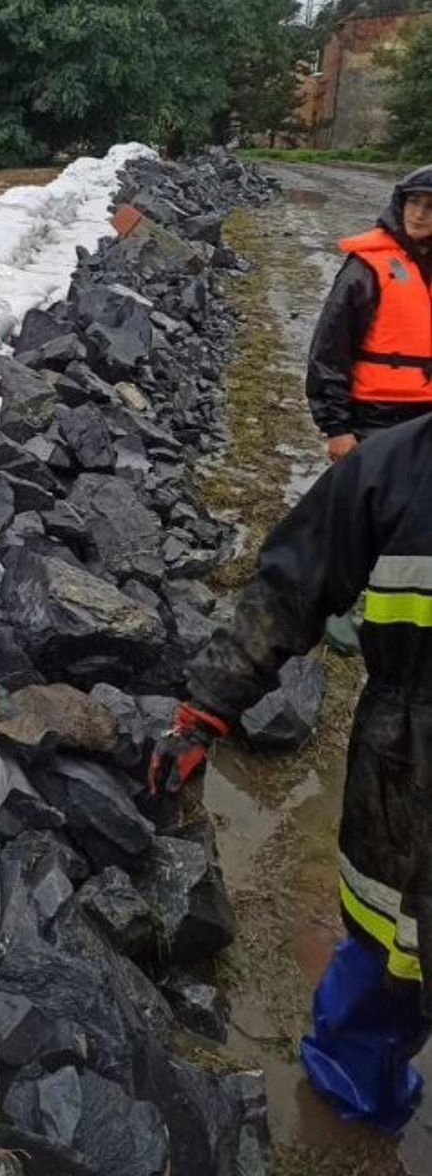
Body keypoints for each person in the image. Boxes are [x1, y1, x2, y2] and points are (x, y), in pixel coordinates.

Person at [150, 413, 432, 1132]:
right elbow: (288, 590)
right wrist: (204, 712)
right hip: (405, 780)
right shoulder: (391, 471)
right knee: (382, 962)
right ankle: (351, 1108)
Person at [307, 165, 432, 464]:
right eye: (413, 202)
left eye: (431, 206)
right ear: (400, 204)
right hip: (375, 416)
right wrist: (337, 427)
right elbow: (330, 349)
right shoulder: (366, 268)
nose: (419, 214)